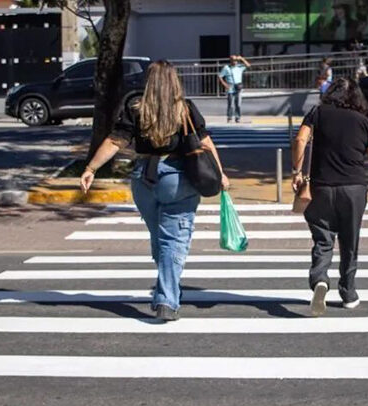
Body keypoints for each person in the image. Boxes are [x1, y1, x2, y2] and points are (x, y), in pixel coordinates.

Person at [81, 60, 229, 322]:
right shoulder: (184, 109)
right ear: (174, 81)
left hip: (143, 179)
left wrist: (91, 168)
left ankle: (168, 288)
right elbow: (205, 142)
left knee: (160, 238)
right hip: (177, 179)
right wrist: (221, 173)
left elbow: (116, 140)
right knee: (173, 240)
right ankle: (167, 301)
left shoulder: (136, 108)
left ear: (148, 82)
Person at [291, 77, 368, 317]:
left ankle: (320, 279)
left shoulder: (317, 113)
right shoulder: (364, 122)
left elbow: (300, 139)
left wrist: (297, 172)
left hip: (320, 188)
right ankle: (348, 293)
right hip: (353, 189)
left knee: (323, 240)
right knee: (349, 241)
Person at [219, 54, 251, 123]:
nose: (235, 61)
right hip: (230, 88)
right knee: (231, 104)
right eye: (233, 60)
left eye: (236, 60)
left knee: (238, 104)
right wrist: (224, 84)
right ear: (230, 60)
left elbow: (248, 65)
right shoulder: (226, 68)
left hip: (238, 87)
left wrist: (242, 59)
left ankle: (237, 117)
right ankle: (229, 117)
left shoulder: (239, 67)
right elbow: (220, 76)